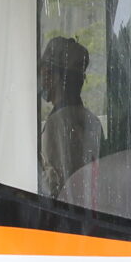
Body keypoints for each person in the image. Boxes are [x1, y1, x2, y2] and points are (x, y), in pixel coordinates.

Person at [37, 35, 104, 196]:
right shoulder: (93, 121)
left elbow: (53, 187)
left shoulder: (55, 125)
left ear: (56, 77)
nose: (42, 79)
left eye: (46, 72)